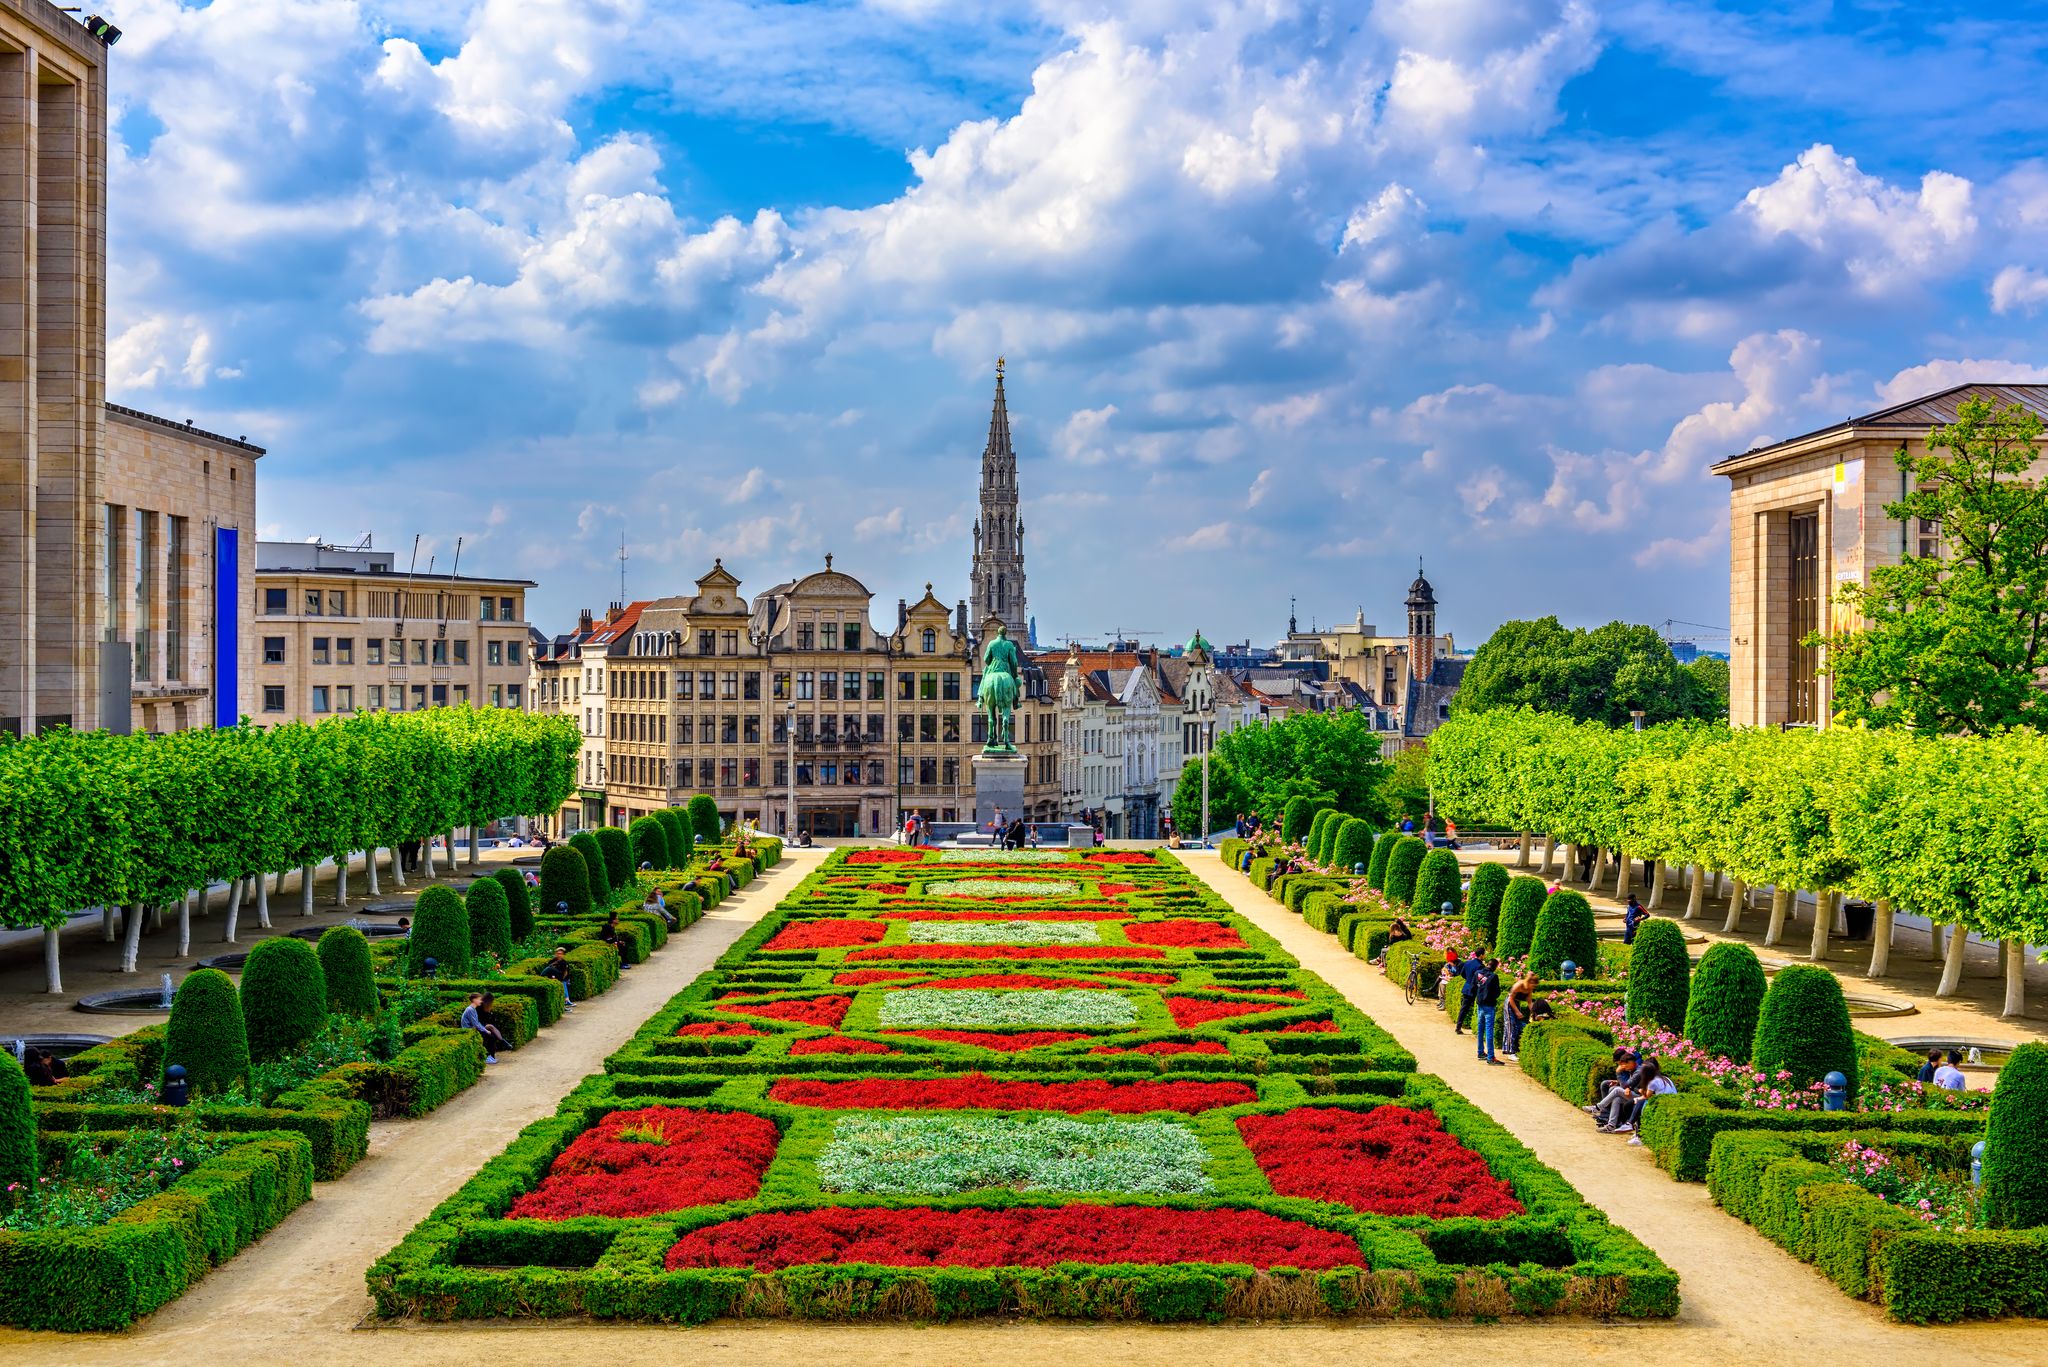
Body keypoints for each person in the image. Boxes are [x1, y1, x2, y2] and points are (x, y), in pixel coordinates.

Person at [460, 993, 512, 1063]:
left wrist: (485, 1029)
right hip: (470, 1030)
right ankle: (489, 1057)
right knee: (491, 1037)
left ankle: (491, 1055)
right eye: (479, 999)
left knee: (491, 1033)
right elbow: (476, 1024)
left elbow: (477, 1023)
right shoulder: (470, 1010)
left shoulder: (473, 1009)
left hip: (473, 1029)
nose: (481, 1001)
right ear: (474, 1000)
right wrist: (485, 1031)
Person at [1473, 958, 1504, 1064]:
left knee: (1480, 1029)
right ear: (1495, 966)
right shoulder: (1494, 976)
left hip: (1479, 1004)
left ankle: (1480, 1052)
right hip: (1489, 1005)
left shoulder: (1477, 973)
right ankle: (1491, 1057)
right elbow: (1497, 993)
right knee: (1489, 1031)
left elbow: (1473, 987)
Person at [1505, 971, 1537, 1059]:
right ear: (1529, 982)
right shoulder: (1519, 985)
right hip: (1509, 1004)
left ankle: (1514, 1050)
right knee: (1511, 1026)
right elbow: (1511, 998)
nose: (1533, 987)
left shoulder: (1529, 989)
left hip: (1516, 1003)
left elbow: (1530, 1002)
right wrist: (1517, 1012)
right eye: (1533, 985)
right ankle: (1510, 1052)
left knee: (1517, 1026)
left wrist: (1535, 1013)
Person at [1452, 948, 1485, 1035]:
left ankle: (1458, 1027)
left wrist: (1468, 980)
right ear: (1481, 955)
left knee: (1464, 1008)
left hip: (1467, 987)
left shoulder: (1468, 962)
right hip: (1475, 989)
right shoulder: (1480, 966)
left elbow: (1462, 973)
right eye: (1484, 954)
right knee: (1478, 1008)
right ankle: (1477, 1028)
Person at [537, 946, 575, 1011]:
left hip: (560, 978)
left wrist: (561, 979)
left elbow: (565, 973)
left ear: (563, 955)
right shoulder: (552, 961)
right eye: (558, 953)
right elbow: (549, 970)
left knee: (562, 983)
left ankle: (565, 1002)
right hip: (552, 978)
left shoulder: (564, 962)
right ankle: (565, 1001)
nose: (559, 955)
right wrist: (552, 977)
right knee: (549, 969)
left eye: (560, 954)